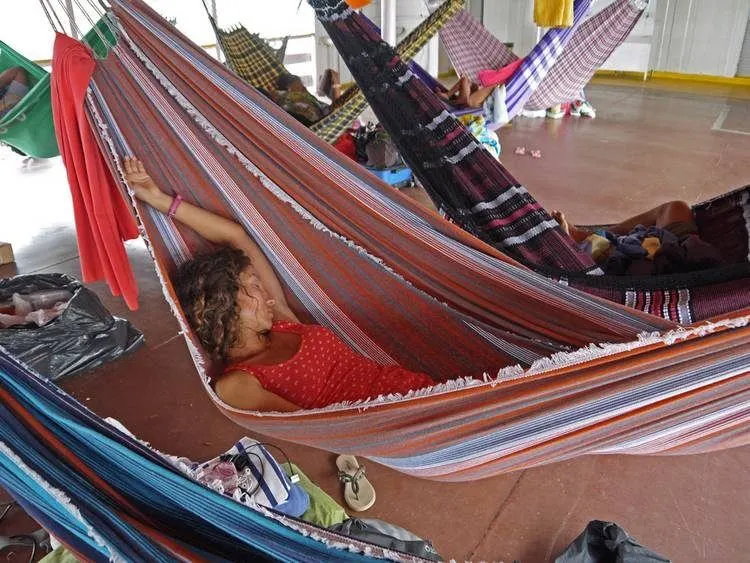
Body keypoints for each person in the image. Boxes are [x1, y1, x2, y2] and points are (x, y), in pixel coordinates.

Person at [123, 157, 434, 412]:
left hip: (418, 390)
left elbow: (235, 236)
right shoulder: (239, 383)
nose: (269, 298)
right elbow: (315, 428)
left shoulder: (282, 324)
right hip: (398, 418)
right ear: (221, 306)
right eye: (254, 288)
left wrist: (160, 201)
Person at [551, 201, 723, 275]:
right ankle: (589, 236)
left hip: (676, 271)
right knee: (676, 208)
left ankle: (582, 238)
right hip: (684, 251)